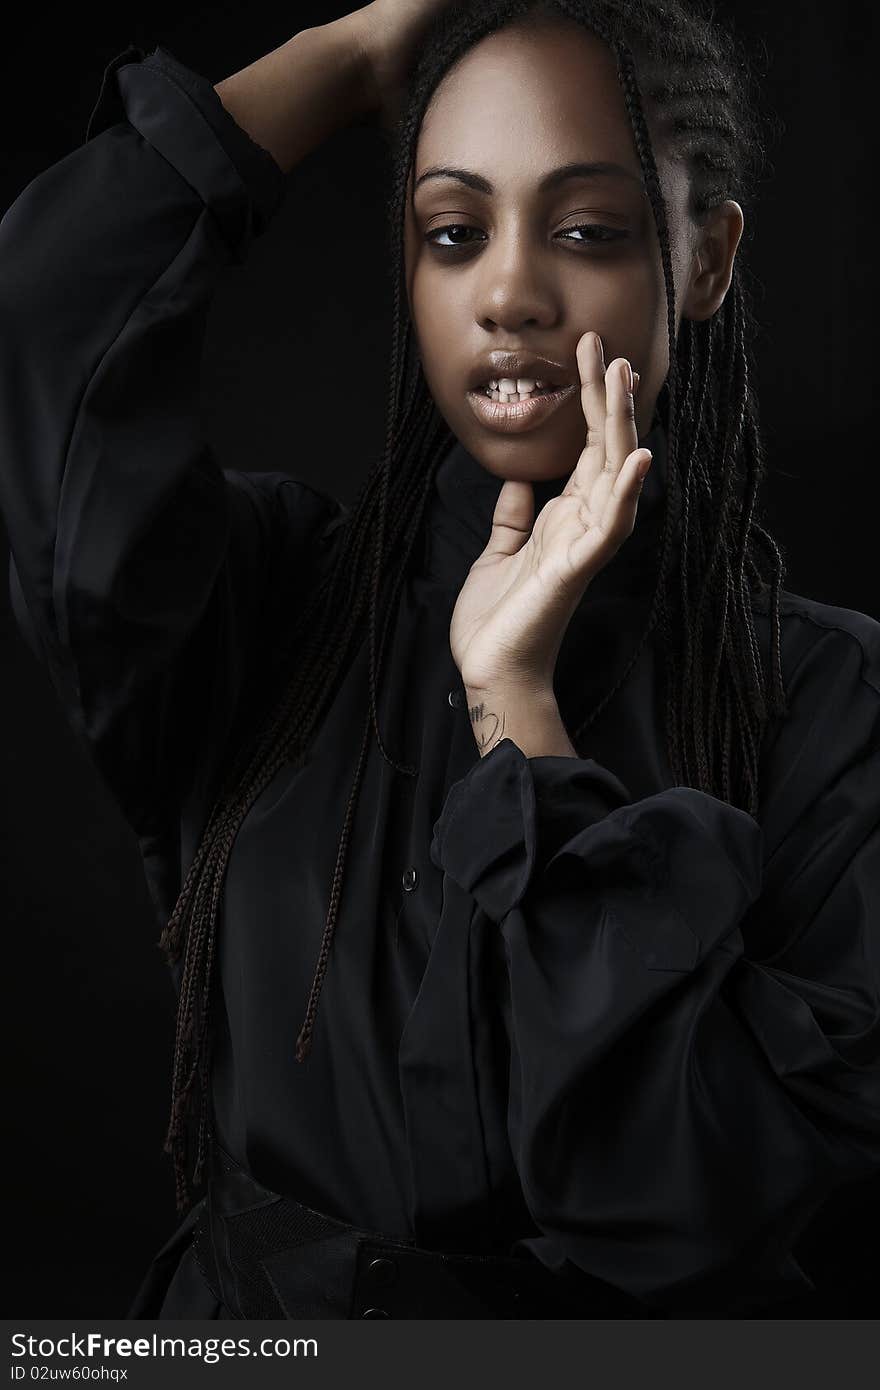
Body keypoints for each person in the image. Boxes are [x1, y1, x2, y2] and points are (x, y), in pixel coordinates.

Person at [1, 0, 878, 1320]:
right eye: (452, 233)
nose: (510, 293)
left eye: (586, 229)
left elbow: (691, 1194)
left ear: (706, 260)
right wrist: (359, 52)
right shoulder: (267, 612)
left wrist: (515, 709)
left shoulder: (831, 703)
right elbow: (45, 319)